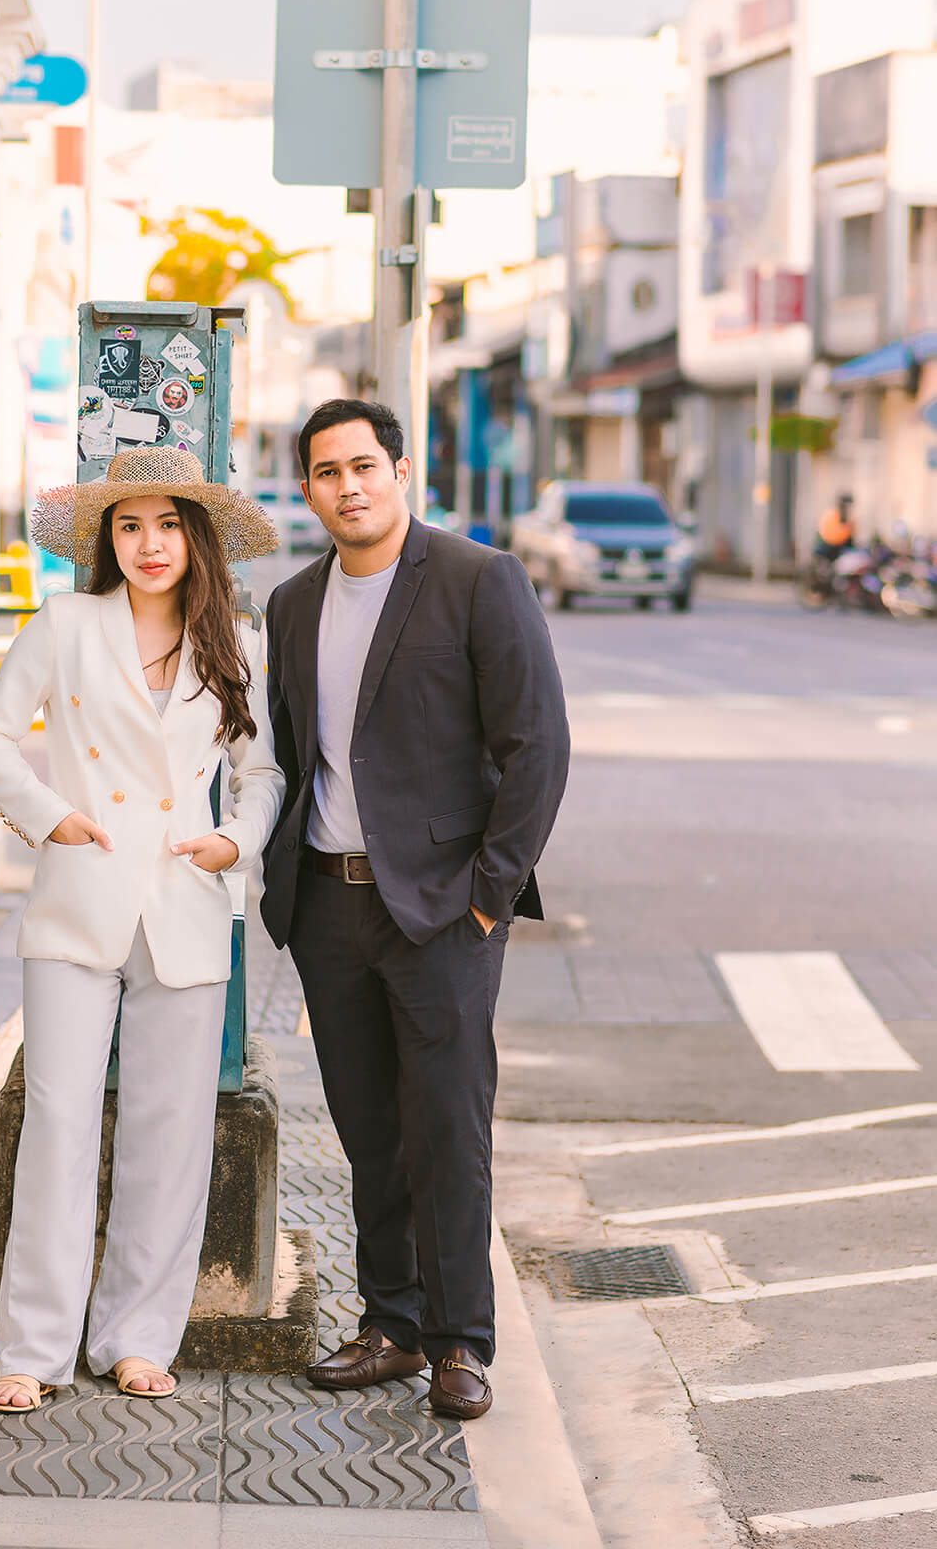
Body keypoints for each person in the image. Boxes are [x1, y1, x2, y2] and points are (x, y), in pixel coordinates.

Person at [261, 400, 569, 1422]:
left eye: (362, 465)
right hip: (327, 904)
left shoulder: (478, 581)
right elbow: (291, 752)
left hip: (440, 912)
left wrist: (486, 896)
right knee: (368, 1129)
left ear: (400, 471)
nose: (346, 486)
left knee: (446, 1126)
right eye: (324, 471)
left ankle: (457, 1341)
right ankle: (388, 1324)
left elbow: (536, 746)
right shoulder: (293, 603)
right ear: (305, 489)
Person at [0, 447, 284, 1413]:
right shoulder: (65, 624)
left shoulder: (236, 641)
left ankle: (140, 1336)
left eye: (170, 523)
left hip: (187, 901)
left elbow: (261, 774)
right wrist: (46, 813)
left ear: (199, 537)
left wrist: (235, 841)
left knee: (171, 1130)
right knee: (59, 1119)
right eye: (131, 525)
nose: (151, 544)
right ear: (108, 538)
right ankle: (33, 1348)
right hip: (81, 894)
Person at [815, 492, 855, 561]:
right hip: (829, 550)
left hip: (839, 551)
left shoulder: (848, 521)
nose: (848, 510)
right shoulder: (830, 517)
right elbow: (834, 538)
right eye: (845, 506)